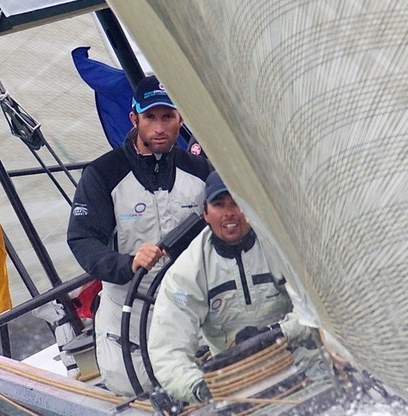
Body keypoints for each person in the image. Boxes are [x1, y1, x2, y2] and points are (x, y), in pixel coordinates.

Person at [67, 75, 212, 396]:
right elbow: (82, 239)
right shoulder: (102, 174)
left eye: (167, 117)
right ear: (134, 119)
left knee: (212, 393)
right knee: (142, 399)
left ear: (180, 118)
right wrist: (127, 263)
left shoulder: (202, 171)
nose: (159, 127)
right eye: (150, 118)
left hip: (194, 312)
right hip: (128, 319)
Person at [148, 172, 319, 403]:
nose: (229, 212)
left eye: (237, 202)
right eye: (219, 204)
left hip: (307, 369)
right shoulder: (186, 272)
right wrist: (199, 388)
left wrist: (277, 334)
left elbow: (321, 308)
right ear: (205, 213)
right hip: (235, 390)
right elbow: (167, 349)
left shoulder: (283, 245)